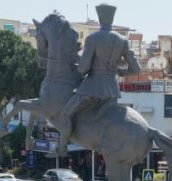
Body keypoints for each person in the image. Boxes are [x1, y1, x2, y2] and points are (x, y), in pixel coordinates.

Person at [50, 4, 141, 156]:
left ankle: (62, 148)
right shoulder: (122, 40)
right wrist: (119, 71)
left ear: (99, 19)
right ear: (112, 18)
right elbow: (136, 69)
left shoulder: (93, 38)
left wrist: (77, 66)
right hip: (112, 91)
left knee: (66, 113)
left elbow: (83, 68)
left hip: (91, 89)